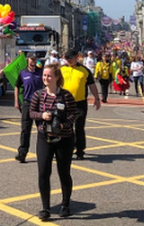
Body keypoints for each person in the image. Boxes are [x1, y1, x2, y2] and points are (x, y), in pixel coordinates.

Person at [29, 64, 78, 221]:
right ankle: (45, 208)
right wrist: (42, 116)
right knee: (43, 172)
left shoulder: (66, 95)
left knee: (64, 172)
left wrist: (63, 124)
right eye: (44, 75)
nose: (46, 78)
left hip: (64, 139)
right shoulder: (38, 95)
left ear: (57, 77)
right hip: (45, 138)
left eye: (49, 76)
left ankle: (65, 204)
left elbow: (73, 114)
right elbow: (31, 113)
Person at [61, 49, 101, 161]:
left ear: (76, 57)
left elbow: (92, 85)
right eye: (66, 58)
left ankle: (80, 150)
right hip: (64, 103)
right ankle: (66, 148)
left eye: (70, 58)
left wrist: (97, 99)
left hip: (79, 104)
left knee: (79, 128)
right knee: (65, 127)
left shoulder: (84, 71)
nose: (68, 60)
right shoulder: (61, 69)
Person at [14, 52, 45, 163]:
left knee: (42, 129)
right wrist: (17, 101)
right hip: (27, 104)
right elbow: (17, 86)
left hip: (39, 104)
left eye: (35, 59)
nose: (33, 61)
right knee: (25, 129)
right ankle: (22, 153)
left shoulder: (41, 72)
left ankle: (43, 152)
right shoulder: (23, 72)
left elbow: (47, 85)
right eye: (31, 59)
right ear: (27, 60)